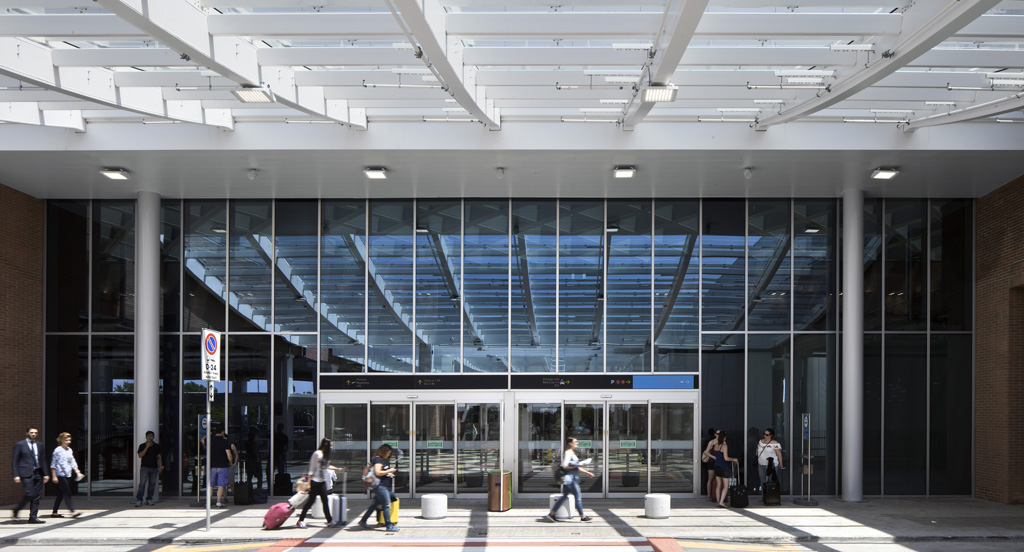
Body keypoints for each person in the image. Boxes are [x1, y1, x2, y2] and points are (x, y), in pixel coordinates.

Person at [547, 437, 595, 523]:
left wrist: (587, 472)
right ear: (570, 443)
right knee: (578, 497)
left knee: (564, 497)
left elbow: (576, 467)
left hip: (572, 479)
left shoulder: (572, 452)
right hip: (571, 479)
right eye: (575, 442)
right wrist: (580, 464)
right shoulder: (568, 452)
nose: (577, 443)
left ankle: (552, 514)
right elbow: (565, 466)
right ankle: (582, 516)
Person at [296, 438, 341, 529]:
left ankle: (330, 521)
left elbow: (327, 466)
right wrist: (309, 483)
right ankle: (300, 520)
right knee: (310, 501)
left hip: (322, 482)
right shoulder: (317, 454)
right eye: (330, 445)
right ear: (325, 445)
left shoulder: (325, 455)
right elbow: (312, 469)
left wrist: (339, 469)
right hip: (315, 482)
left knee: (325, 501)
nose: (331, 447)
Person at [12, 427, 49, 523]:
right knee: (30, 494)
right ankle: (16, 510)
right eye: (32, 432)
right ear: (27, 433)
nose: (33, 434)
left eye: (35, 433)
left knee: (36, 496)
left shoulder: (40, 445)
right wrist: (16, 474)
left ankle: (33, 517)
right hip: (26, 473)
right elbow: (14, 461)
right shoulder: (20, 445)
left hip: (38, 473)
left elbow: (42, 460)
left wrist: (46, 474)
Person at [358, 444, 399, 532]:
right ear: (384, 452)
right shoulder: (378, 459)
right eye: (388, 453)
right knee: (386, 505)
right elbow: (377, 472)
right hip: (380, 487)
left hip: (381, 486)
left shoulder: (379, 460)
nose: (389, 455)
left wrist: (388, 474)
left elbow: (381, 472)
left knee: (374, 505)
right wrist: (389, 470)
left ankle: (363, 521)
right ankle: (389, 525)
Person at [49, 432, 84, 518]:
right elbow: (53, 464)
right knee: (67, 492)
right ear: (61, 440)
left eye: (69, 440)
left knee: (61, 493)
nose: (68, 441)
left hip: (68, 474)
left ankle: (54, 512)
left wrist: (77, 471)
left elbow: (72, 461)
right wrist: (54, 475)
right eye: (66, 440)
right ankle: (72, 511)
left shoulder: (70, 450)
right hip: (60, 474)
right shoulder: (57, 450)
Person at [135, 430, 163, 506]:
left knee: (152, 484)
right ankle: (139, 499)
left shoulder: (157, 446)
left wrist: (160, 466)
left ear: (153, 437)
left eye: (151, 436)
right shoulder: (142, 445)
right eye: (148, 436)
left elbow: (159, 457)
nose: (149, 438)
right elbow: (140, 455)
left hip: (154, 468)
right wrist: (147, 447)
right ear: (146, 437)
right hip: (144, 467)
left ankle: (149, 499)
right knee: (142, 484)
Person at [208, 423, 233, 508]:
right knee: (221, 485)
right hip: (222, 465)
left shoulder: (210, 440)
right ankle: (218, 502)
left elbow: (202, 440)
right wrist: (230, 461)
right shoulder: (224, 441)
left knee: (211, 485)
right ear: (222, 432)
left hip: (212, 466)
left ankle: (209, 501)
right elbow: (229, 455)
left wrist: (210, 434)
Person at [712, 430, 738, 508]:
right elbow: (726, 458)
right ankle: (721, 502)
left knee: (718, 485)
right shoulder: (724, 446)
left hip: (716, 466)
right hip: (723, 466)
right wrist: (733, 459)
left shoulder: (715, 445)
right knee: (726, 486)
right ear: (725, 437)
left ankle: (718, 501)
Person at [702, 428, 718, 501]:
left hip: (719, 462)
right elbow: (706, 452)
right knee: (710, 478)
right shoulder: (712, 442)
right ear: (715, 434)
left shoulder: (723, 442)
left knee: (719, 479)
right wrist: (713, 457)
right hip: (711, 462)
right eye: (718, 434)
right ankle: (709, 495)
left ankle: (716, 495)